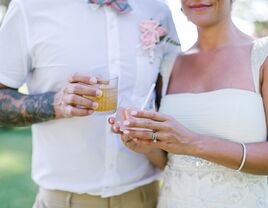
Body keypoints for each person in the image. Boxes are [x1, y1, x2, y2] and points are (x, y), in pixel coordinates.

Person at [0, 0, 180, 207]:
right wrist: (54, 104)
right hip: (63, 200)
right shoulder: (29, 7)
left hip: (144, 198)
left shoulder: (156, 9)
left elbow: (171, 96)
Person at [115, 0, 268, 207]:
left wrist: (193, 143)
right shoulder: (169, 65)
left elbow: (188, 144)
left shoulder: (262, 55)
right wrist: (148, 148)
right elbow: (173, 161)